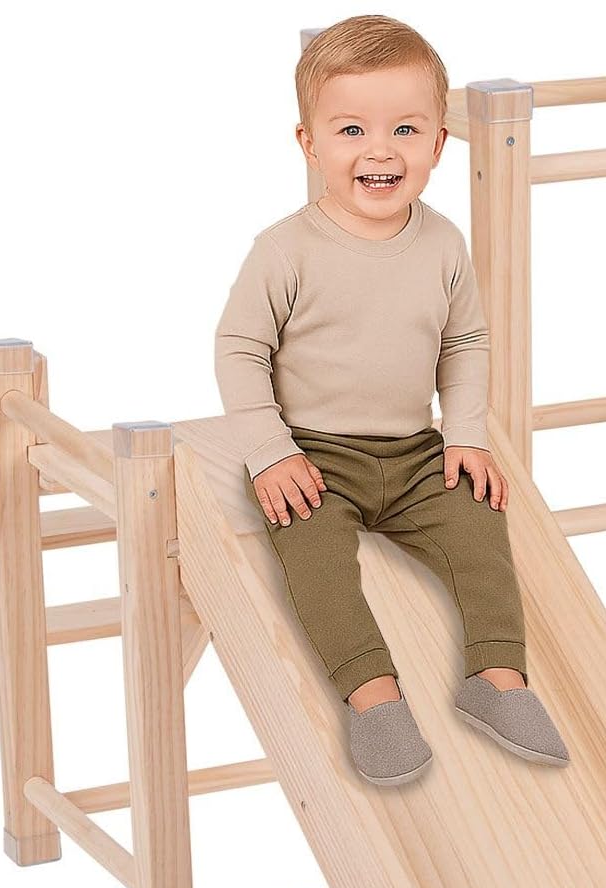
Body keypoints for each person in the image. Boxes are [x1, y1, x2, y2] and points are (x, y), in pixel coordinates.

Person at [215, 13, 568, 786]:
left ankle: (496, 678)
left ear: (438, 144)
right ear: (309, 144)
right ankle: (373, 697)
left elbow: (464, 340)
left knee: (481, 525)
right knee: (313, 553)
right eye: (351, 130)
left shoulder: (442, 243)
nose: (380, 150)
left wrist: (465, 434)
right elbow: (240, 349)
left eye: (405, 129)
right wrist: (270, 452)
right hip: (313, 454)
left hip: (414, 452)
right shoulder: (285, 249)